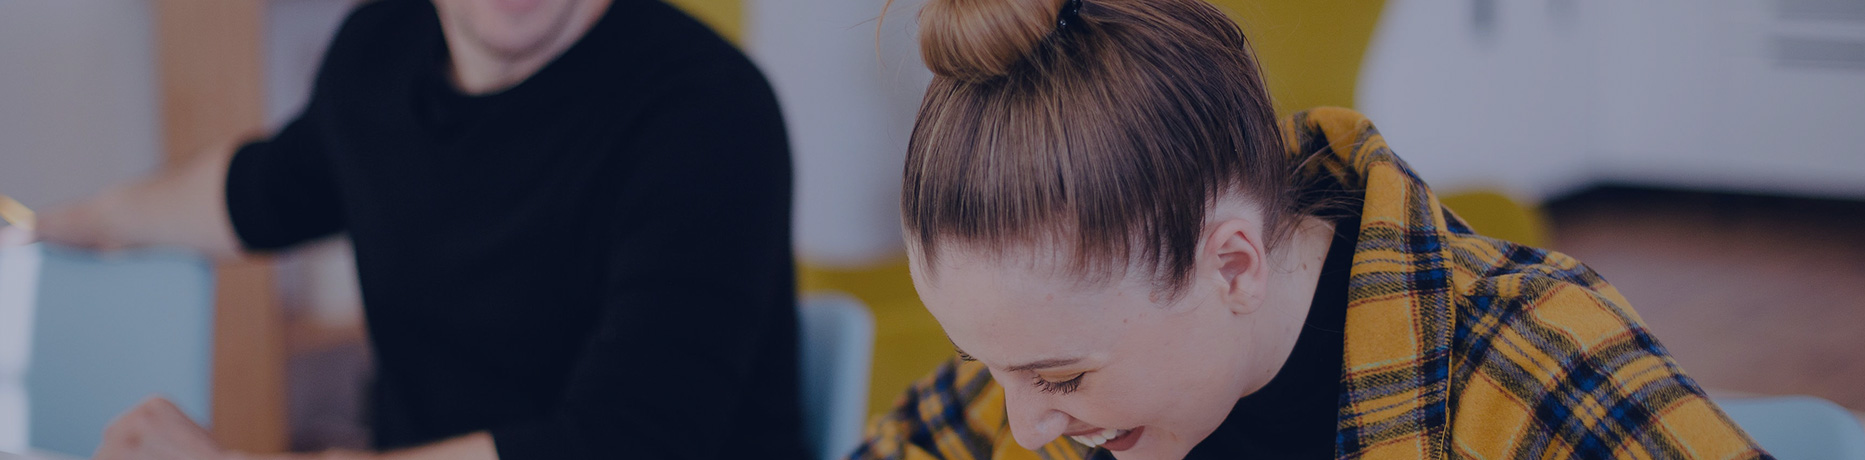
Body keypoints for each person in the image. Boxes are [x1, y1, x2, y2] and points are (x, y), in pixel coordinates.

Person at [851, 0, 1773, 459]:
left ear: (1236, 263)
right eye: (993, 365)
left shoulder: (1523, 357)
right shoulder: (1059, 359)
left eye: (1062, 376)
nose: (1024, 425)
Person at [0, 0, 805, 458]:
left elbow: (621, 442)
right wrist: (68, 222)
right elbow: (265, 188)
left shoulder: (708, 113)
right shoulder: (382, 47)